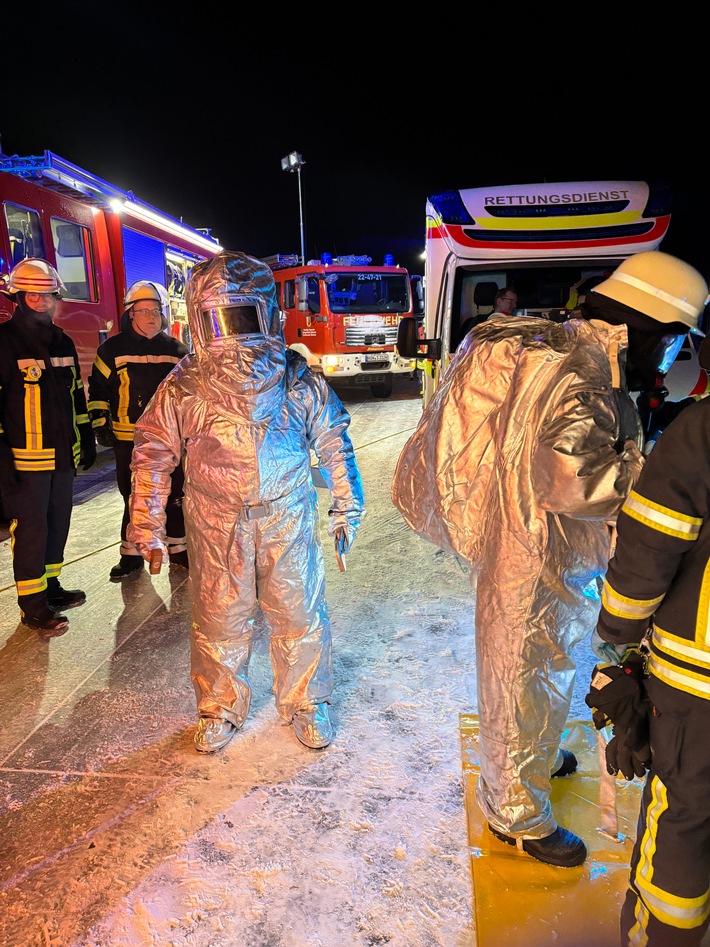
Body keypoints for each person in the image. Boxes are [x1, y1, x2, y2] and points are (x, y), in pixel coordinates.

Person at [391, 250, 708, 868]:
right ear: (648, 326)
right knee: (523, 670)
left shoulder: (574, 350)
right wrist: (658, 474)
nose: (668, 361)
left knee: (547, 665)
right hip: (535, 551)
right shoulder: (583, 371)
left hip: (546, 545)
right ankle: (515, 813)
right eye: (671, 345)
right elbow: (570, 479)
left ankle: (531, 757)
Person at [127, 250, 365, 753]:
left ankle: (305, 699)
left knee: (298, 610)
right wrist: (146, 525)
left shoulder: (296, 378)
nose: (235, 335)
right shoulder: (186, 384)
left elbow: (333, 440)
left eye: (243, 316)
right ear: (199, 320)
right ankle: (218, 704)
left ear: (267, 314)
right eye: (221, 318)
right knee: (219, 615)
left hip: (286, 513)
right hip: (217, 520)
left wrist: (347, 504)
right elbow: (152, 454)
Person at [587, 342, 710, 945]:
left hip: (698, 687)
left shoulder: (702, 432)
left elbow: (647, 551)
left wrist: (615, 642)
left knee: (682, 827)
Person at [0, 258, 97, 636]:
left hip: (62, 457)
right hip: (24, 462)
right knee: (32, 531)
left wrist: (85, 438)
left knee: (58, 524)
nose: (42, 301)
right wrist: (2, 459)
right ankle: (32, 606)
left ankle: (51, 588)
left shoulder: (63, 341)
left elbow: (76, 397)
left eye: (48, 295)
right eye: (33, 295)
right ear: (18, 297)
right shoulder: (4, 342)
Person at [88, 280, 189, 579]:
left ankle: (178, 550)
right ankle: (131, 557)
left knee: (174, 494)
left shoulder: (177, 350)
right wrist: (99, 423)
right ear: (130, 313)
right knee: (133, 497)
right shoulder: (111, 349)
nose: (151, 317)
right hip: (127, 439)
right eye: (144, 310)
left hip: (170, 440)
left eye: (156, 311)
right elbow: (97, 391)